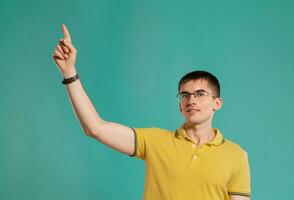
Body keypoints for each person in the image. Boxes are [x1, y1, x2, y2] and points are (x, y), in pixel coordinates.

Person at [53, 24, 251, 200]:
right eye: (185, 95)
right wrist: (70, 72)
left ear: (217, 103)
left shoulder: (236, 155)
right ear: (180, 104)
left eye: (200, 94)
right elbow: (95, 128)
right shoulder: (155, 141)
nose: (191, 100)